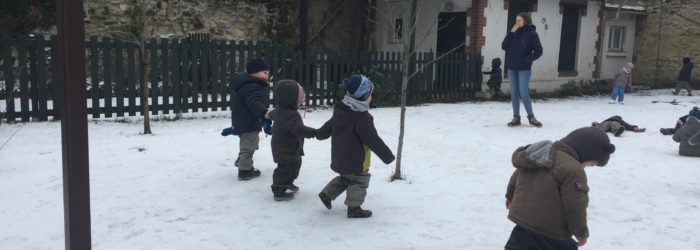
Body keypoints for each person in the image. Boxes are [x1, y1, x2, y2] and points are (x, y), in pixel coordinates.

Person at [505, 127, 616, 250]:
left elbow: (519, 171)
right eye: (590, 164)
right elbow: (575, 205)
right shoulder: (573, 170)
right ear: (586, 153)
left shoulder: (542, 153)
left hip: (523, 224)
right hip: (551, 229)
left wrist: (510, 195)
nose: (586, 167)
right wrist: (580, 232)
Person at [315, 75, 395, 218]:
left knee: (345, 178)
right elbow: (373, 140)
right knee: (359, 181)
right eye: (370, 95)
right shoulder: (362, 118)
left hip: (339, 157)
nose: (371, 97)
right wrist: (387, 156)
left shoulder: (340, 112)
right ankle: (354, 208)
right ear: (363, 97)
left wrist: (318, 134)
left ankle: (327, 194)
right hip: (357, 160)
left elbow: (326, 129)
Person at [268, 80, 317, 201]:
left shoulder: (279, 110)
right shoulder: (290, 115)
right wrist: (314, 132)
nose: (302, 99)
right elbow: (299, 129)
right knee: (285, 168)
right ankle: (279, 189)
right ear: (291, 99)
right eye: (299, 97)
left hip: (288, 147)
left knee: (294, 165)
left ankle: (287, 182)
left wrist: (267, 116)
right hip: (285, 149)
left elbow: (271, 114)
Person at [230, 58, 272, 180]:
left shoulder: (249, 84)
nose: (267, 75)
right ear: (253, 73)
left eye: (268, 73)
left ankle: (242, 161)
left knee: (249, 144)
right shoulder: (252, 86)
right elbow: (254, 103)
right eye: (264, 72)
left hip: (244, 121)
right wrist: (264, 113)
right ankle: (245, 171)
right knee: (249, 146)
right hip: (248, 122)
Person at [502, 12, 544, 127]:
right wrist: (511, 33)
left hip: (524, 69)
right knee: (514, 93)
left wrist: (527, 60)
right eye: (516, 20)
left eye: (519, 21)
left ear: (526, 21)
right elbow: (504, 46)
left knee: (523, 92)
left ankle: (531, 117)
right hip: (511, 67)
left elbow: (539, 51)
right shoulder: (513, 33)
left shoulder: (532, 34)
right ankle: (516, 117)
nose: (517, 23)